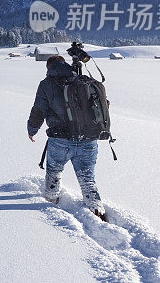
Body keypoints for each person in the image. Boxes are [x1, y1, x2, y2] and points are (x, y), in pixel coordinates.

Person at [27, 54, 105, 220]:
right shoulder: (82, 80)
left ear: (49, 68)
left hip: (60, 140)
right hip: (88, 139)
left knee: (54, 172)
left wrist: (32, 130)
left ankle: (50, 203)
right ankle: (97, 212)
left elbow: (39, 110)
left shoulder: (46, 84)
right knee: (87, 180)